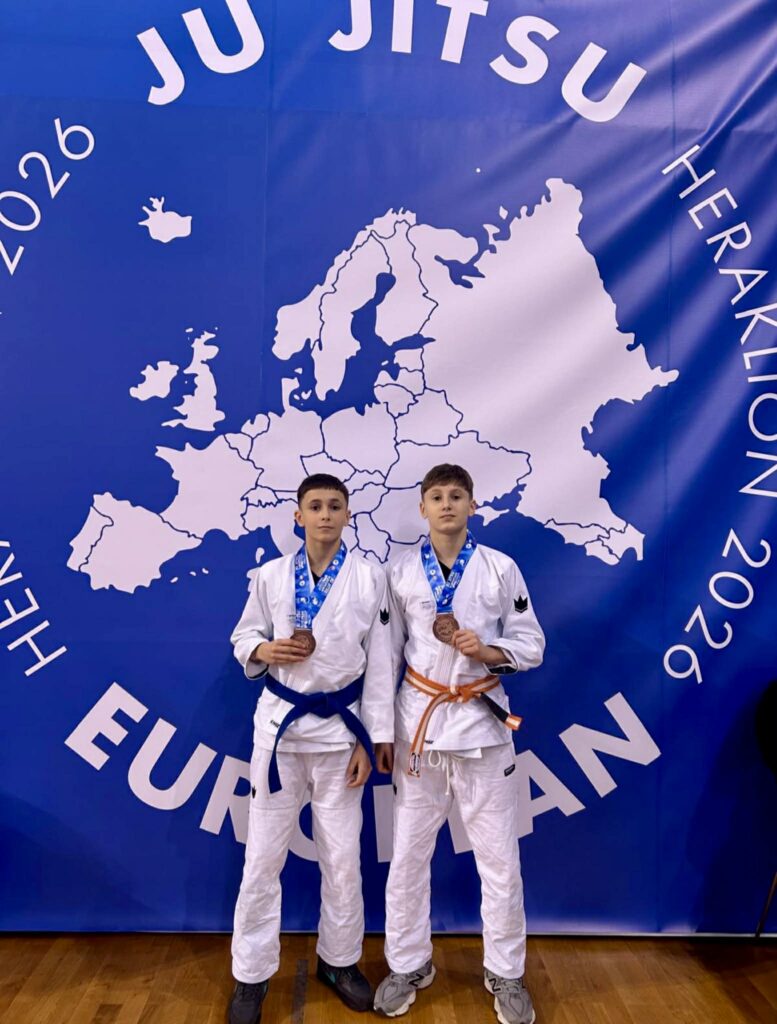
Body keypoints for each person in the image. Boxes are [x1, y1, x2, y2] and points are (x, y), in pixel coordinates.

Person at [375, 464, 545, 1024]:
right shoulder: (400, 572)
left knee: (500, 860)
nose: (446, 504)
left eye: (456, 495)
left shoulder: (500, 568)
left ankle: (506, 972)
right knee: (407, 857)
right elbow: (384, 657)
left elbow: (532, 643)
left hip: (482, 728)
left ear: (473, 505)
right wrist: (381, 731)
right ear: (422, 508)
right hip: (419, 727)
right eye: (436, 496)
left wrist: (489, 651)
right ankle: (408, 964)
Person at [227, 473, 394, 1024]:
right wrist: (263, 649)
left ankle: (339, 961)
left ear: (348, 515)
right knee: (261, 859)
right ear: (298, 516)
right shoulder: (271, 575)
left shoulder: (370, 578)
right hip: (279, 733)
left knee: (343, 859)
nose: (325, 515)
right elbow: (243, 636)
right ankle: (251, 974)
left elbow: (381, 664)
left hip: (341, 734)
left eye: (334, 506)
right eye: (315, 506)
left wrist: (371, 739)